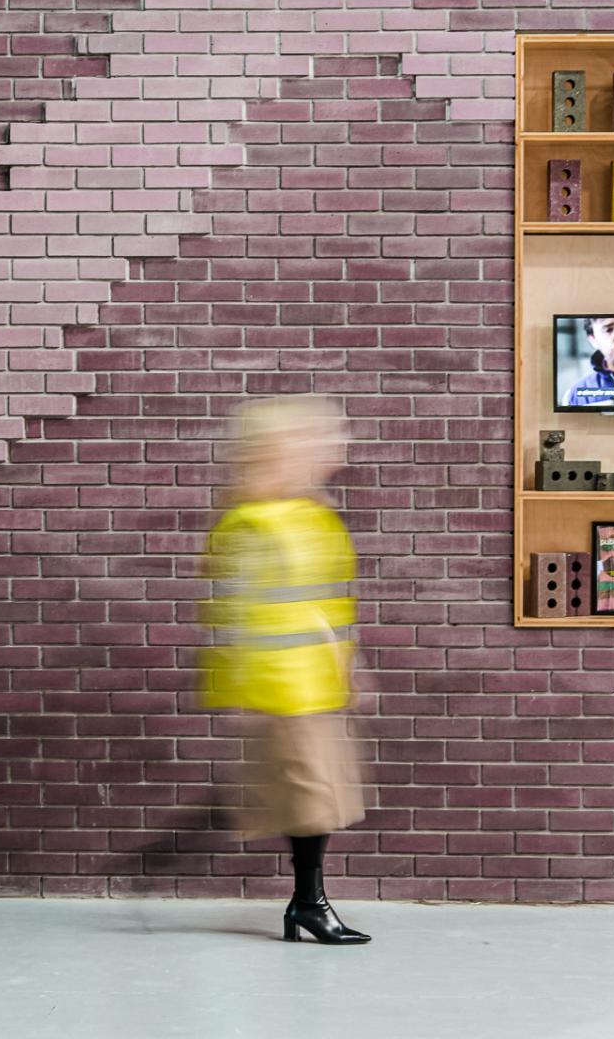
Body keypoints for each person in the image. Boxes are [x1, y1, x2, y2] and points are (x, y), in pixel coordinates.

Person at [199, 395, 370, 946]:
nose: (333, 450)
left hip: (315, 682)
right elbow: (231, 611)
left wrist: (350, 664)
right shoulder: (248, 523)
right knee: (309, 798)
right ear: (279, 449)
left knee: (314, 800)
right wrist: (238, 688)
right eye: (319, 440)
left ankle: (307, 904)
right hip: (280, 687)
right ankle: (309, 905)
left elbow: (329, 601)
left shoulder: (309, 513)